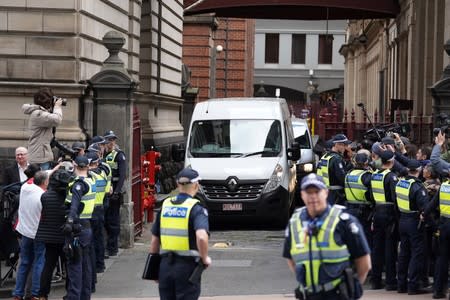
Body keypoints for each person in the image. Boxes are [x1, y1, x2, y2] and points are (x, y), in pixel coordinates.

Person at [283, 173, 371, 300]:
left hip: (337, 295)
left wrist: (351, 287)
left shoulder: (344, 222)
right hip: (308, 295)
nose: (313, 196)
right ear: (302, 195)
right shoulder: (294, 223)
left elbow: (364, 262)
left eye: (317, 191)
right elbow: (290, 257)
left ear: (326, 193)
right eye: (308, 192)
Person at [150, 168, 211, 300]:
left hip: (165, 266)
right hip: (187, 268)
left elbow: (155, 240)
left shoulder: (165, 206)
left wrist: (154, 269)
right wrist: (205, 257)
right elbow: (201, 237)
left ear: (177, 184)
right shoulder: (196, 209)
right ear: (196, 185)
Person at [35, 169, 72, 300]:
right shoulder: (68, 197)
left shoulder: (45, 196)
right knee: (69, 266)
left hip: (49, 236)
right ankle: (69, 292)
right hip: (64, 235)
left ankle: (42, 294)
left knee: (48, 265)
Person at [63, 155, 96, 300]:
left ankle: (74, 297)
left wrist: (69, 222)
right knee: (85, 265)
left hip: (77, 229)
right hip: (86, 227)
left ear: (74, 164)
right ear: (88, 166)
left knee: (75, 265)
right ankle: (84, 296)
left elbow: (74, 205)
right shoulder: (91, 179)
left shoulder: (78, 184)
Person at [13, 171, 49, 300]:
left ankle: (18, 293)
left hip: (24, 232)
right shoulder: (44, 196)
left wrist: (53, 169)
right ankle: (35, 293)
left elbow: (33, 179)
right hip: (38, 234)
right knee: (39, 262)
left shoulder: (25, 188)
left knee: (24, 263)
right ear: (45, 182)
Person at [395, 160, 429, 294]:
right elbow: (424, 208)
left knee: (404, 253)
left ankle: (401, 285)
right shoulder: (417, 186)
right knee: (416, 253)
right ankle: (413, 286)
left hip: (402, 219)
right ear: (419, 170)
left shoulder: (400, 183)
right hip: (414, 222)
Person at [369, 150, 399, 290]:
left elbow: (370, 195)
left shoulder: (374, 175)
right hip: (389, 214)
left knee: (377, 248)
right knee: (389, 248)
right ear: (392, 162)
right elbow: (395, 198)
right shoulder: (391, 177)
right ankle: (390, 281)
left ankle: (376, 280)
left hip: (377, 212)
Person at [22, 87, 63, 170]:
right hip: (40, 159)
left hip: (40, 155)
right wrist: (57, 107)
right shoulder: (39, 114)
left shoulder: (40, 113)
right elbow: (57, 120)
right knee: (41, 182)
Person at [103, 130, 126, 257]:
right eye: (108, 140)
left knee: (113, 220)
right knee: (105, 220)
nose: (111, 142)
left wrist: (117, 191)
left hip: (114, 192)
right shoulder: (102, 155)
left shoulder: (119, 155)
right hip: (104, 192)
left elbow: (122, 175)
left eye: (112, 140)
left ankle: (113, 247)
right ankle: (107, 246)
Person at [344, 153, 374, 244]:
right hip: (364, 211)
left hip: (349, 209)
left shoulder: (348, 174)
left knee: (351, 235)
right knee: (365, 236)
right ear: (366, 162)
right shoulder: (367, 176)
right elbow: (371, 195)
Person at [316, 134, 350, 205]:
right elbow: (342, 178)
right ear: (337, 144)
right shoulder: (337, 159)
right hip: (336, 195)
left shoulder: (325, 157)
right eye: (344, 145)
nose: (345, 148)